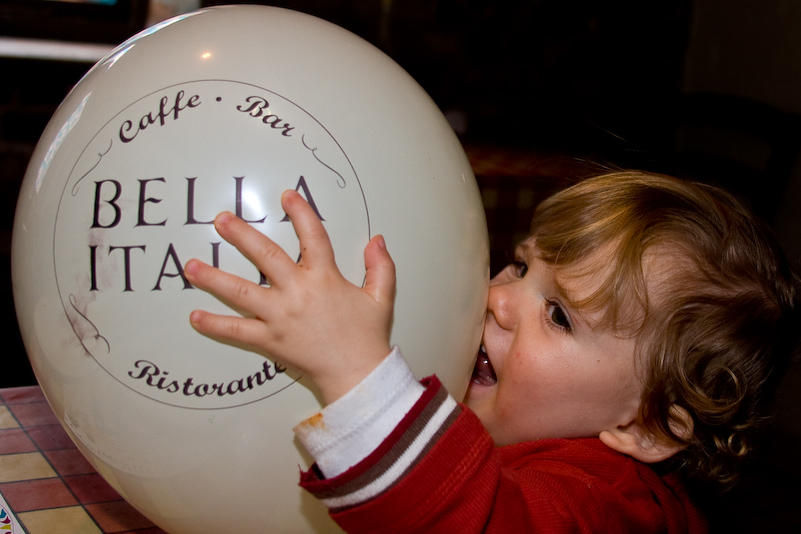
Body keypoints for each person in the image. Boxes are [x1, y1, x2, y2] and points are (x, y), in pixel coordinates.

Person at [183, 170, 797, 533]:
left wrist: (353, 368)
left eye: (557, 315)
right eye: (522, 264)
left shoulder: (607, 506)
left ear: (643, 424)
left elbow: (469, 519)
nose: (499, 298)